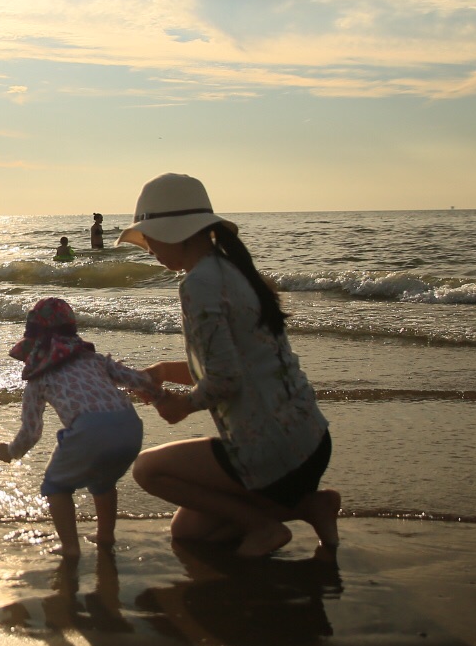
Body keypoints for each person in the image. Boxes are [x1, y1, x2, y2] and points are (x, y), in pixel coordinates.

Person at [121, 173, 339, 559]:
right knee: (189, 531)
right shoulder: (233, 270)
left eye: (150, 237)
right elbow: (240, 366)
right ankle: (308, 507)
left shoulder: (198, 285)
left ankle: (263, 526)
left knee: (146, 470)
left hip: (273, 452)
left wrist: (181, 407)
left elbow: (226, 379)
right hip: (311, 441)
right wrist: (163, 372)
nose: (149, 249)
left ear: (178, 233)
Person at [0, 297, 158, 557]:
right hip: (129, 425)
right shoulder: (95, 361)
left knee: (55, 486)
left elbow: (32, 432)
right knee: (104, 480)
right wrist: (158, 395)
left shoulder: (39, 378)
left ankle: (70, 547)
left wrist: (12, 452)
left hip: (89, 430)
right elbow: (137, 379)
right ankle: (106, 535)